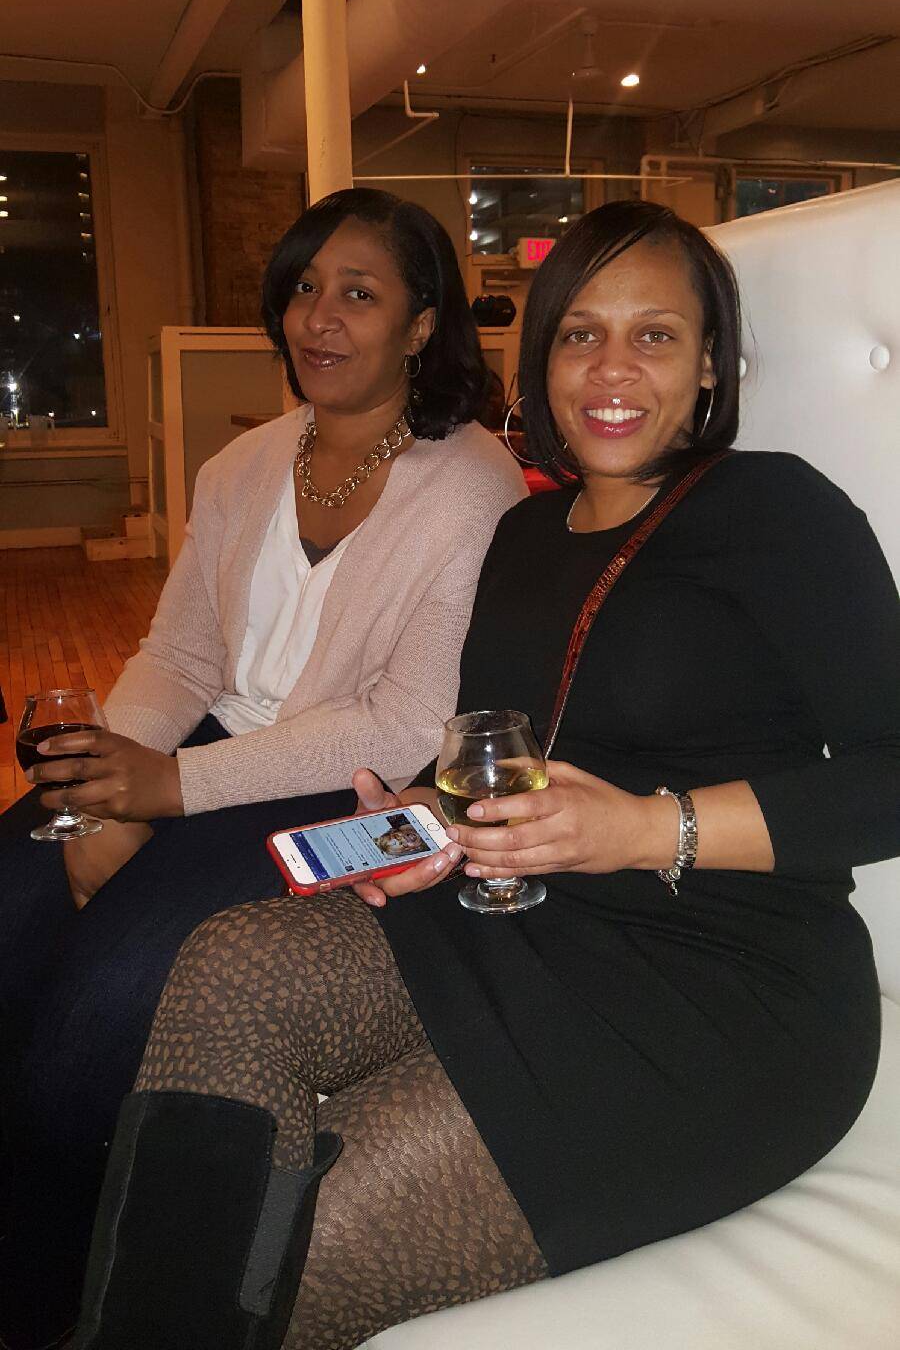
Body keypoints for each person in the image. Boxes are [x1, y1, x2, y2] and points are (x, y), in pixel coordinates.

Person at [71, 201, 900, 1350]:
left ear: (711, 363)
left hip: (720, 990)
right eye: (581, 334)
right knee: (231, 958)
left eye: (656, 335)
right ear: (542, 359)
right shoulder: (524, 536)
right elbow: (497, 746)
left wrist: (645, 827)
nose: (612, 368)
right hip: (518, 916)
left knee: (289, 1249)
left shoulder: (777, 511)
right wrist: (428, 811)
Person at [0, 187, 526, 1350]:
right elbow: (180, 656)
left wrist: (165, 791)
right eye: (303, 288)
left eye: (358, 294)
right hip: (202, 757)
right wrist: (98, 786)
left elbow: (405, 721)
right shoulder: (242, 464)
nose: (318, 318)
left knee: (103, 1007)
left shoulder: (472, 484)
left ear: (422, 324)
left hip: (344, 795)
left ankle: (51, 1304)